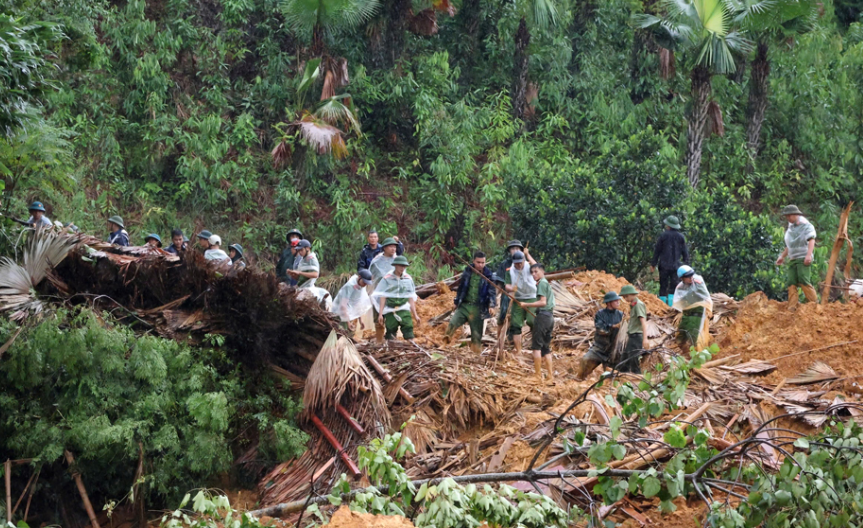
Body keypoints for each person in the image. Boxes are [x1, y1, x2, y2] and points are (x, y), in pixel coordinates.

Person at [444, 251, 497, 354]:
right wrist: (456, 301)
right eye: (478, 262)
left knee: (477, 336)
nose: (480, 265)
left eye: (483, 262)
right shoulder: (467, 271)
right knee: (452, 324)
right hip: (465, 306)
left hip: (478, 308)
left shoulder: (488, 275)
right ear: (473, 261)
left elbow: (492, 291)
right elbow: (461, 288)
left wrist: (491, 305)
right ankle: (444, 345)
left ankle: (476, 356)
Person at [775, 205, 818, 310]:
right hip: (793, 258)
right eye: (787, 216)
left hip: (803, 257)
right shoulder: (791, 228)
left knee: (803, 280)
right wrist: (782, 256)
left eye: (789, 216)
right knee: (791, 282)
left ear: (796, 215)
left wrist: (808, 255)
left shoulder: (806, 226)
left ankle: (814, 305)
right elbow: (790, 246)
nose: (788, 218)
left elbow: (811, 240)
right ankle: (792, 306)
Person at [576, 291, 625, 380]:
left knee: (613, 376)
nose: (618, 302)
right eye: (616, 301)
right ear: (609, 303)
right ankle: (579, 379)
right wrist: (613, 326)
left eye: (618, 300)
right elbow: (600, 329)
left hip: (613, 350)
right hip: (600, 348)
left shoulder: (621, 315)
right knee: (585, 360)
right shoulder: (600, 314)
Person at [371, 255, 420, 342]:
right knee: (390, 332)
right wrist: (380, 314)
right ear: (395, 265)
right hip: (390, 310)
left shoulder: (407, 279)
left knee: (408, 329)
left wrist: (415, 315)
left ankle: (411, 348)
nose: (402, 268)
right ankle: (391, 349)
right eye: (401, 266)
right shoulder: (387, 279)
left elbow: (410, 297)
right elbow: (383, 296)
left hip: (403, 309)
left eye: (404, 266)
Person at [520, 263, 555, 382]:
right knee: (546, 348)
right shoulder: (545, 282)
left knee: (536, 347)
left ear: (542, 271)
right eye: (532, 272)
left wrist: (527, 304)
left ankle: (538, 375)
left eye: (536, 272)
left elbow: (543, 302)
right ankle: (550, 375)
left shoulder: (542, 284)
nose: (534, 274)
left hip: (543, 316)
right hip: (550, 317)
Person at [651, 216, 689, 307]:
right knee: (674, 286)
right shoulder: (681, 237)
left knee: (663, 286)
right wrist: (686, 265)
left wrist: (653, 264)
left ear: (668, 225)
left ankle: (662, 306)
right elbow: (685, 252)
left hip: (664, 266)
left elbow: (657, 251)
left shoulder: (663, 236)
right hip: (676, 267)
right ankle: (672, 306)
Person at [672, 265, 713, 352]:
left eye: (691, 275)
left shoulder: (698, 282)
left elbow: (705, 296)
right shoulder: (680, 287)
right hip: (687, 314)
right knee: (680, 334)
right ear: (682, 278)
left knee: (695, 337)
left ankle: (698, 357)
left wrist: (709, 308)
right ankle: (680, 353)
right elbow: (678, 300)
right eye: (688, 277)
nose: (691, 278)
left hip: (698, 314)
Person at [504, 249, 537, 355]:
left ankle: (536, 347)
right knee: (516, 324)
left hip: (531, 297)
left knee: (532, 321)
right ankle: (518, 351)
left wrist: (527, 255)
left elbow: (537, 267)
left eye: (520, 263)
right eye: (516, 263)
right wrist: (512, 288)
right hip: (517, 299)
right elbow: (506, 285)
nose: (518, 265)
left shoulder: (529, 266)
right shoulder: (510, 270)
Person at [494, 240, 525, 336]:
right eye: (513, 249)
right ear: (509, 251)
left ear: (521, 250)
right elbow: (499, 283)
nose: (515, 251)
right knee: (503, 317)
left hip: (521, 296)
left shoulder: (525, 264)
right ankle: (499, 340)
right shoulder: (505, 264)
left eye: (517, 248)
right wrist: (494, 297)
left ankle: (514, 340)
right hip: (507, 295)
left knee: (518, 319)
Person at [619, 285, 648, 374]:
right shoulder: (633, 305)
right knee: (625, 358)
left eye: (626, 296)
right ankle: (623, 376)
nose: (625, 299)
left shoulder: (638, 305)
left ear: (631, 294)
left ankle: (638, 378)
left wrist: (645, 339)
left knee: (634, 359)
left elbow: (643, 322)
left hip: (636, 336)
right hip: (632, 336)